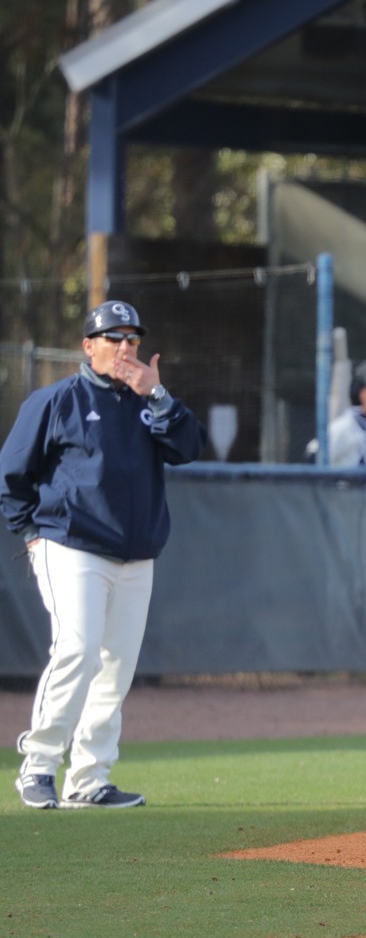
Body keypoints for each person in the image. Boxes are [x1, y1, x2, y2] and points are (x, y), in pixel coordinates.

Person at [1, 299, 206, 809]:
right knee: (78, 647)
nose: (124, 347)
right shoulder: (57, 400)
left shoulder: (147, 401)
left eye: (132, 339)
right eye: (113, 338)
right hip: (70, 545)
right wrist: (29, 532)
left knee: (116, 668)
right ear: (88, 346)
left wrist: (156, 393)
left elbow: (189, 448)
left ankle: (89, 778)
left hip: (136, 554)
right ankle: (39, 765)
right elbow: (11, 474)